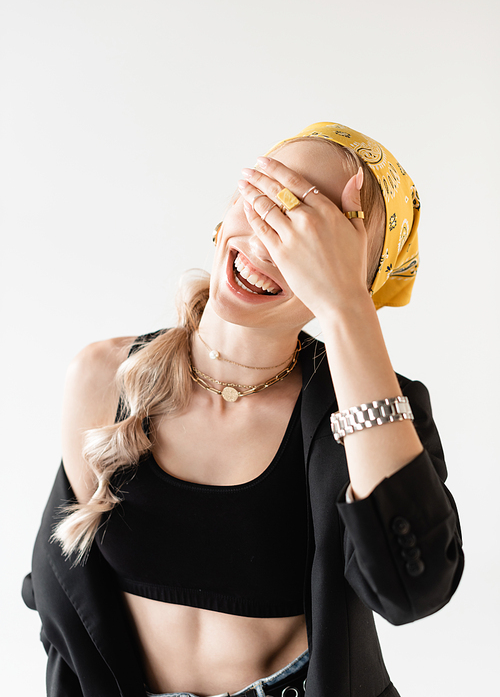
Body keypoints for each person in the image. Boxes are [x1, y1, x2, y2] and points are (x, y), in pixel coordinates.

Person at [22, 122, 464, 697]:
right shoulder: (102, 377)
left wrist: (348, 309)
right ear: (230, 203)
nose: (271, 241)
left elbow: (413, 589)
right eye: (270, 200)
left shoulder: (375, 408)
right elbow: (69, 612)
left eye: (319, 236)